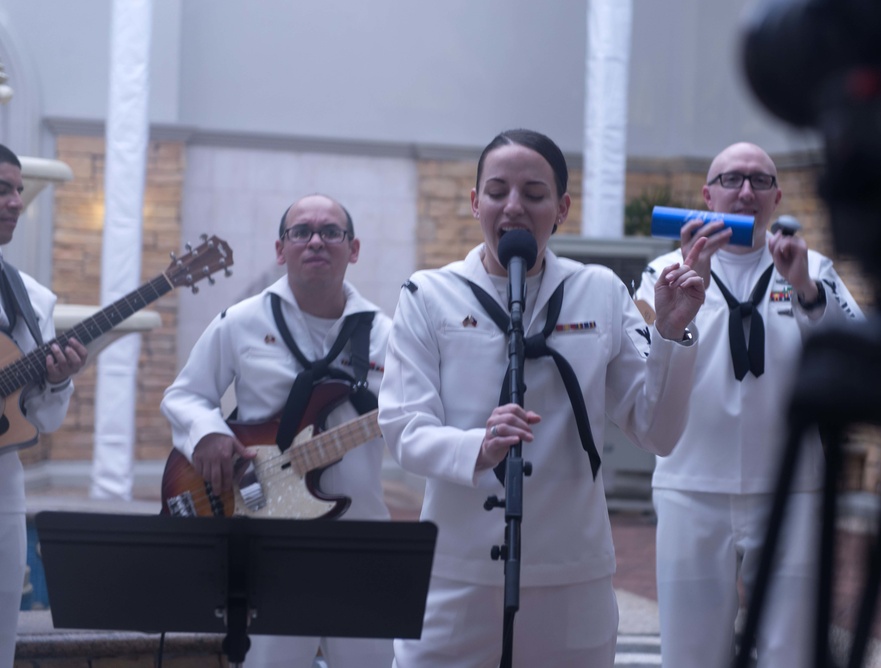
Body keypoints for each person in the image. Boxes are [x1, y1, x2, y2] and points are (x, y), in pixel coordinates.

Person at [378, 128, 706, 667]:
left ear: (562, 208)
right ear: (474, 201)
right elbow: (404, 430)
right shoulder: (427, 295)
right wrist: (475, 448)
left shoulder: (599, 290)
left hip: (572, 577)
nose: (513, 207)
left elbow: (657, 432)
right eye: (498, 191)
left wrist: (670, 336)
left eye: (534, 194)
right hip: (457, 574)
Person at [635, 141, 864, 668]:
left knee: (795, 648)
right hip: (690, 486)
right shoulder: (662, 273)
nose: (745, 192)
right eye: (732, 179)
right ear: (706, 194)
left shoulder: (813, 268)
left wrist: (805, 289)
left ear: (777, 196)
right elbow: (642, 372)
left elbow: (852, 355)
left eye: (760, 181)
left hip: (792, 488)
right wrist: (689, 296)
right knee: (692, 650)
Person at [161, 194, 394, 668]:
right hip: (264, 531)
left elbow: (419, 421)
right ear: (279, 248)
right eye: (301, 231)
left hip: (359, 536)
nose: (316, 241)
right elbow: (184, 396)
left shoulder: (389, 336)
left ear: (353, 249)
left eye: (331, 232)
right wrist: (207, 434)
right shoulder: (241, 322)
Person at [0, 144, 88, 667]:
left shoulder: (28, 298)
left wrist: (57, 381)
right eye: (2, 189)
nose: (15, 201)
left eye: (17, 190)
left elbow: (45, 418)